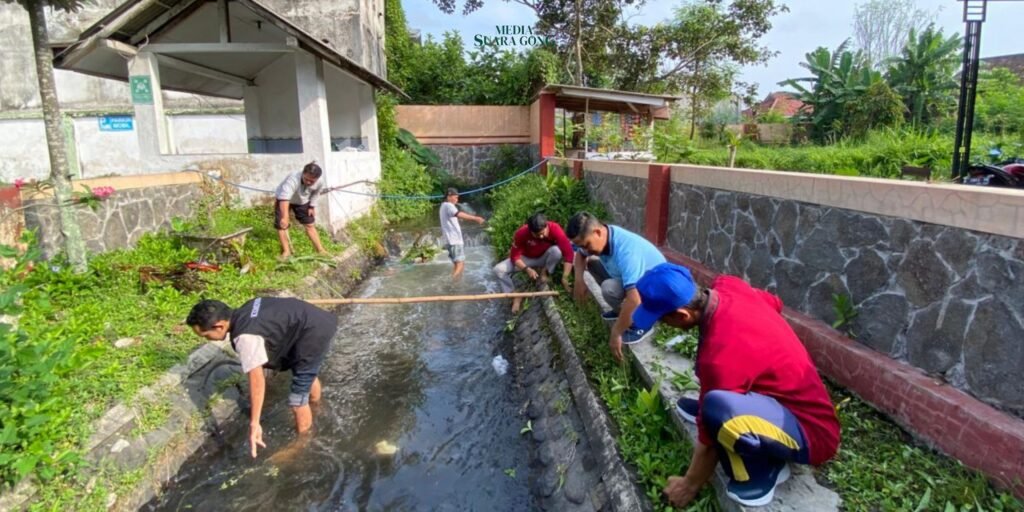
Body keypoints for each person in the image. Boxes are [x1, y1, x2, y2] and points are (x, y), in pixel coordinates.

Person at [631, 263, 841, 507]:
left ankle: (763, 471)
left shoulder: (721, 354)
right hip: (779, 403)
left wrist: (689, 483)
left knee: (717, 409)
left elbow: (708, 442)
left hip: (812, 434)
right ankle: (743, 415)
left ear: (682, 315)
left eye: (662, 320)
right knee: (712, 399)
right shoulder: (729, 286)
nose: (662, 325)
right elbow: (774, 303)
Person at [186, 297, 339, 458]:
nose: (206, 339)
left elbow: (257, 380)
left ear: (219, 326)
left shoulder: (245, 338)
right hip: (314, 322)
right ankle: (317, 406)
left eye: (206, 335)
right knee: (304, 372)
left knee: (297, 399)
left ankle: (302, 444)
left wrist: (254, 422)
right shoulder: (248, 307)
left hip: (313, 332)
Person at [566, 211, 666, 361]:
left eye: (586, 245)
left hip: (656, 292)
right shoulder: (603, 236)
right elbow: (580, 255)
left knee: (609, 288)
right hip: (634, 282)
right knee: (593, 263)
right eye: (581, 246)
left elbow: (635, 298)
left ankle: (642, 323)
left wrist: (616, 332)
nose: (585, 249)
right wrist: (579, 281)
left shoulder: (627, 251)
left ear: (598, 232)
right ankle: (621, 310)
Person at [492, 212, 574, 313]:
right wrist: (527, 269)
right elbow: (514, 257)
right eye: (537, 235)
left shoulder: (555, 229)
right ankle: (515, 296)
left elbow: (569, 254)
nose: (541, 237)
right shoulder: (521, 233)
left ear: (546, 226)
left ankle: (545, 273)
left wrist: (565, 278)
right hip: (526, 259)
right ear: (530, 231)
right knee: (498, 269)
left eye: (543, 233)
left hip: (545, 257)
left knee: (556, 251)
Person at [275, 162, 328, 260]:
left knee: (309, 224)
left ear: (317, 179)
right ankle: (286, 251)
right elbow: (284, 198)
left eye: (311, 181)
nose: (308, 182)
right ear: (303, 173)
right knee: (281, 225)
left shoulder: (320, 182)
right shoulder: (293, 179)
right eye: (306, 179)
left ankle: (320, 250)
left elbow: (316, 193)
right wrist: (285, 217)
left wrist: (312, 206)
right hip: (284, 199)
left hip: (302, 200)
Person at [439, 187, 485, 279]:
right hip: (454, 240)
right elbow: (459, 214)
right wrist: (476, 218)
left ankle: (456, 283)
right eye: (455, 197)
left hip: (449, 240)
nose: (457, 199)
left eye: (457, 197)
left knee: (457, 264)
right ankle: (452, 283)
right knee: (460, 264)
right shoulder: (449, 205)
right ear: (449, 196)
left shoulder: (443, 206)